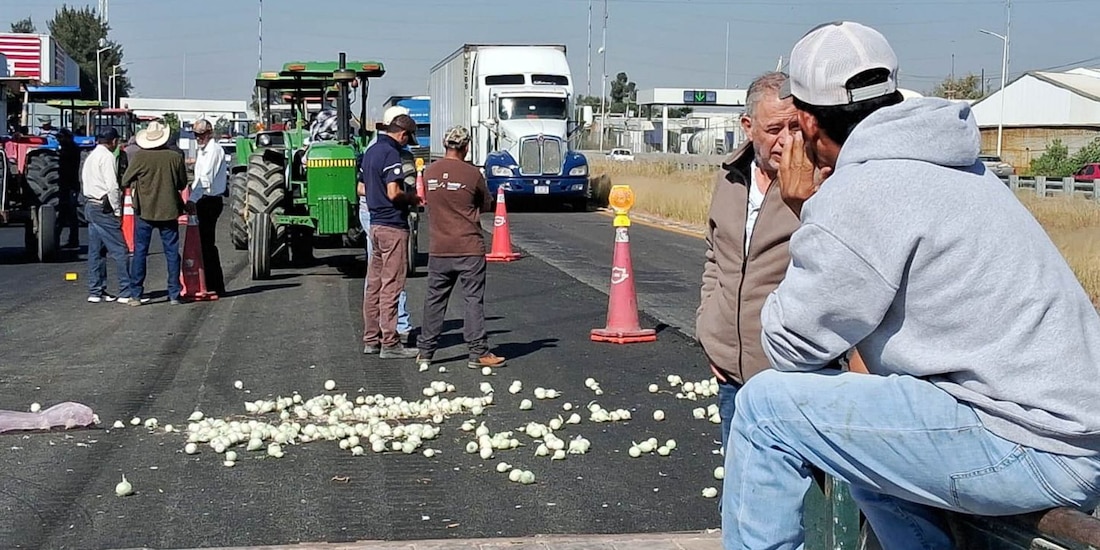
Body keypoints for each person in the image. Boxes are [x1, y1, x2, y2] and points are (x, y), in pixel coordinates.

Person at [721, 21, 1100, 549]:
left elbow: (790, 345)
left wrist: (807, 209)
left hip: (1029, 444)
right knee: (857, 437)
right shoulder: (959, 161)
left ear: (805, 120)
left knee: (765, 411)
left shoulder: (861, 190)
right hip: (1067, 432)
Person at [697, 71, 804, 453]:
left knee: (790, 500)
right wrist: (708, 328)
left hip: (788, 376)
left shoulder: (818, 184)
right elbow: (715, 255)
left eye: (796, 125)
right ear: (748, 126)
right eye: (775, 128)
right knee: (738, 493)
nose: (787, 140)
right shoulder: (730, 179)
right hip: (729, 372)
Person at [415, 126, 507, 370]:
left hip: (439, 247)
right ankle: (478, 352)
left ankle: (425, 352)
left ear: (445, 145)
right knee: (473, 300)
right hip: (468, 247)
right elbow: (485, 203)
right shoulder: (472, 174)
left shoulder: (429, 173)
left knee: (434, 300)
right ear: (466, 147)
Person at [360, 112, 422, 359]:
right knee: (392, 285)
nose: (407, 143)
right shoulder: (391, 153)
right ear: (403, 134)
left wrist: (376, 198)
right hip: (392, 227)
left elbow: (360, 187)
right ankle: (390, 342)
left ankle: (370, 339)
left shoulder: (371, 152)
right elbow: (395, 192)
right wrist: (413, 199)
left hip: (374, 225)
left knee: (373, 285)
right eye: (408, 139)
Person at [122, 121, 188, 305]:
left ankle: (136, 293)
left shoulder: (141, 157)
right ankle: (174, 293)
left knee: (140, 252)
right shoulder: (175, 157)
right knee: (172, 253)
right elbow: (182, 183)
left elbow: (126, 179)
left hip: (145, 211)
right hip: (169, 210)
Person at [81, 128, 134, 303]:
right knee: (120, 250)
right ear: (113, 141)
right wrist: (117, 210)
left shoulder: (91, 157)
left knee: (97, 251)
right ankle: (126, 291)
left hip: (90, 204)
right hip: (104, 207)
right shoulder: (108, 157)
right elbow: (112, 187)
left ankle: (96, 290)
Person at [185, 119, 228, 296]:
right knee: (203, 243)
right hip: (204, 198)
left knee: (207, 244)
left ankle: (215, 285)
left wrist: (192, 200)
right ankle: (208, 283)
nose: (198, 138)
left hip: (209, 200)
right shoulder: (203, 151)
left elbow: (205, 179)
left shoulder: (214, 150)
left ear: (209, 133)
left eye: (201, 135)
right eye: (196, 135)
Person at [56, 128, 82, 249]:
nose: (59, 141)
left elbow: (67, 165)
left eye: (61, 138)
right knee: (66, 213)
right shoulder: (67, 149)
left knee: (69, 213)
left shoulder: (72, 149)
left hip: (70, 185)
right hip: (65, 184)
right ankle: (60, 237)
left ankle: (71, 239)